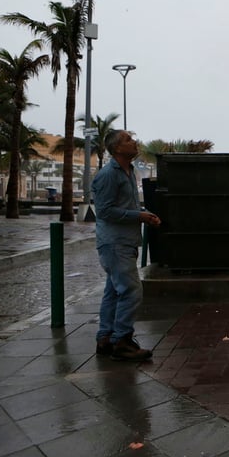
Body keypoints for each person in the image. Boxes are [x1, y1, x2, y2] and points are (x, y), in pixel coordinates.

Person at [92, 130, 161, 362]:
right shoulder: (108, 175)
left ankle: (106, 338)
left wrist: (143, 214)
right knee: (131, 291)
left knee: (113, 292)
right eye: (128, 140)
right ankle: (122, 341)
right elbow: (103, 211)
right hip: (114, 243)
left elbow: (125, 206)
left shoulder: (129, 172)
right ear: (117, 148)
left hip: (124, 242)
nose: (134, 142)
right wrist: (138, 216)